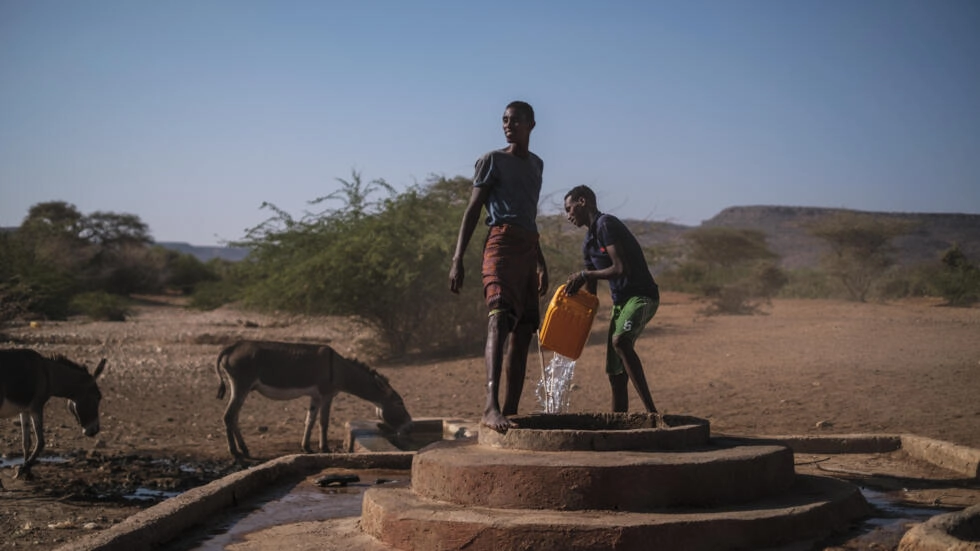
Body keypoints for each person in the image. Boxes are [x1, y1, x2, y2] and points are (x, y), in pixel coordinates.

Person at [449, 101, 549, 433]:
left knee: (523, 334)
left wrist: (541, 262)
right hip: (501, 246)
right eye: (504, 120)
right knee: (499, 321)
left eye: (515, 120)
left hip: (527, 249)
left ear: (531, 124)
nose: (508, 125)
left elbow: (529, 216)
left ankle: (510, 409)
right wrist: (457, 258)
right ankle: (490, 408)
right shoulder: (492, 161)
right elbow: (473, 210)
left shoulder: (536, 165)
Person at [563, 185, 660, 415]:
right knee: (615, 375)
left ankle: (653, 414)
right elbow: (592, 291)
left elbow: (620, 268)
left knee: (621, 341)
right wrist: (575, 315)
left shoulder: (606, 224)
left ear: (582, 202)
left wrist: (586, 275)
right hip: (620, 304)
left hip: (641, 296)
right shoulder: (588, 243)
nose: (568, 216)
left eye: (569, 209)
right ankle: (619, 426)